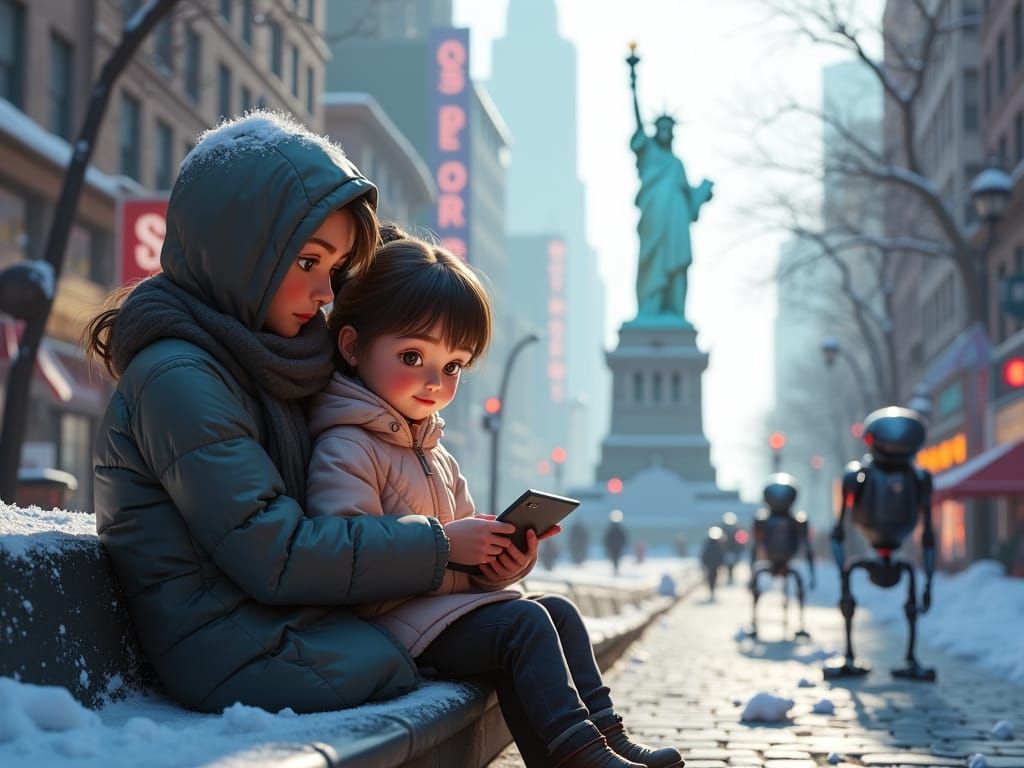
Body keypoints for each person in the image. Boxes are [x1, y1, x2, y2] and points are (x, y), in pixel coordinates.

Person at [88, 111, 449, 715]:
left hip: (279, 624)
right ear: (239, 252)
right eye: (307, 262)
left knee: (500, 631)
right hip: (227, 646)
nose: (327, 293)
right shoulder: (180, 378)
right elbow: (276, 555)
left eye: (334, 271)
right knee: (441, 652)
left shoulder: (270, 359)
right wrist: (439, 548)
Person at [305, 234, 684, 768]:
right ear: (352, 346)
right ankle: (578, 756)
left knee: (557, 611)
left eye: (454, 366)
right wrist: (445, 546)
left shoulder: (435, 454)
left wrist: (500, 563)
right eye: (412, 356)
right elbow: (345, 556)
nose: (435, 381)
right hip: (389, 629)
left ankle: (606, 739)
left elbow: (464, 562)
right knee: (523, 626)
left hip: (434, 618)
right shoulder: (345, 444)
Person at [626, 45, 713, 322]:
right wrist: (633, 85)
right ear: (656, 131)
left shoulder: (677, 165)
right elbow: (637, 125)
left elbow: (690, 206)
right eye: (660, 128)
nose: (664, 132)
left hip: (675, 221)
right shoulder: (649, 153)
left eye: (668, 128)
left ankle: (674, 311)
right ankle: (650, 309)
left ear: (672, 132)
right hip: (654, 217)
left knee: (676, 266)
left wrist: (702, 193)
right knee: (651, 262)